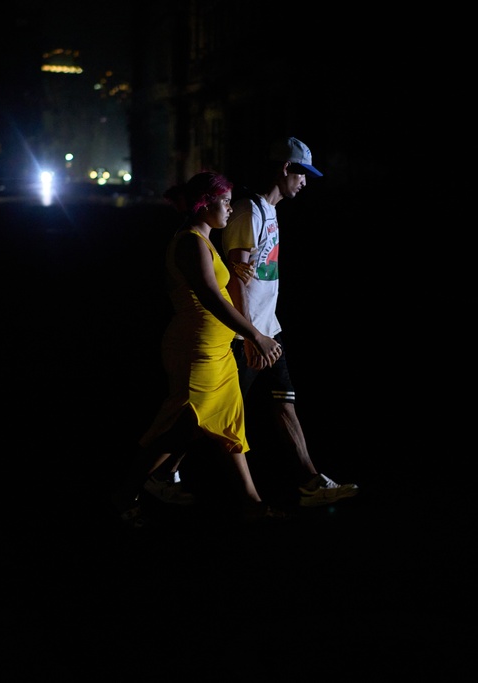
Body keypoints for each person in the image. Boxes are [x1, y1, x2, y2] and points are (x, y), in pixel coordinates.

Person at [144, 138, 359, 508]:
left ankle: (308, 482)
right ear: (286, 169)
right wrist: (250, 335)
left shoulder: (268, 212)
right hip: (250, 334)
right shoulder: (247, 212)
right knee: (205, 415)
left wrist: (264, 330)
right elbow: (236, 280)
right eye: (302, 173)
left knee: (282, 403)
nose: (305, 182)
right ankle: (157, 475)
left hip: (266, 329)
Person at [110, 171, 289, 528]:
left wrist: (238, 272)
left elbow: (221, 287)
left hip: (217, 354)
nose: (229, 209)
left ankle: (252, 502)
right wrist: (256, 335)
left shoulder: (205, 240)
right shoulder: (191, 241)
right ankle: (123, 496)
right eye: (224, 202)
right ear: (204, 204)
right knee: (178, 427)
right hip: (196, 352)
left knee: (229, 427)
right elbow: (211, 299)